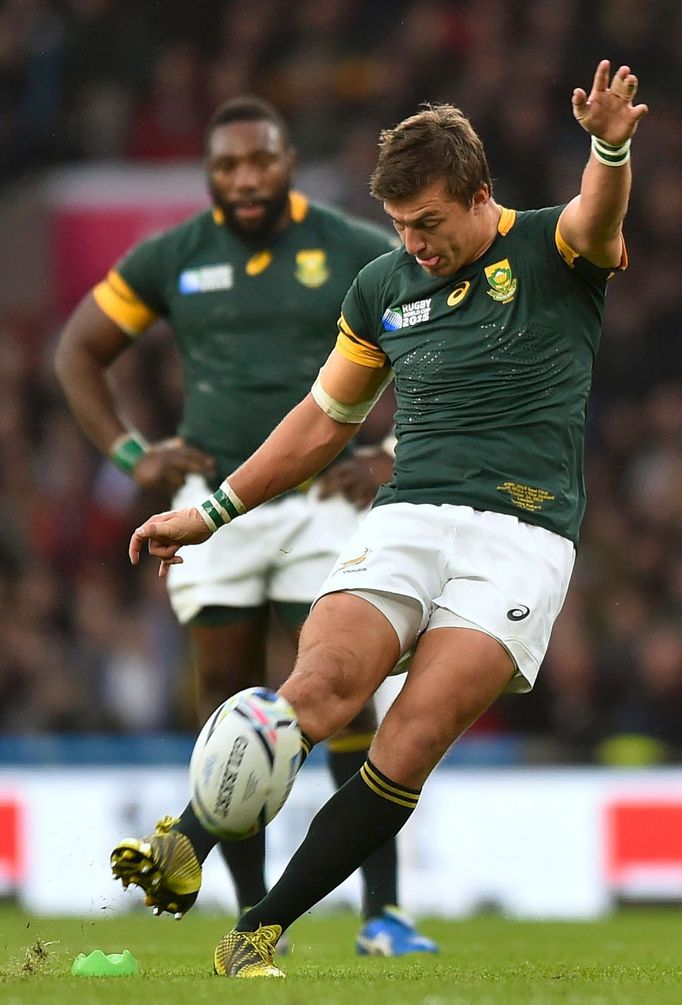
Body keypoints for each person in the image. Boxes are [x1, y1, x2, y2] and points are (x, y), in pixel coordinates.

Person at [121, 60, 647, 977]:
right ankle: (188, 843)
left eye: (429, 224)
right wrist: (213, 512)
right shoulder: (381, 286)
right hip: (406, 518)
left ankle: (257, 933)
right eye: (400, 225)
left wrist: (609, 144)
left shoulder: (551, 251)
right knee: (318, 689)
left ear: (480, 196)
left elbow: (597, 213)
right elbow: (326, 419)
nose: (414, 243)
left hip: (519, 540)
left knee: (411, 737)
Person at [54, 96, 438, 956]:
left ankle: (383, 911)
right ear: (209, 175)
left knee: (335, 686)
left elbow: (433, 334)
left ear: (288, 159)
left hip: (315, 503)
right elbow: (77, 349)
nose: (246, 178)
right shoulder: (175, 255)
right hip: (212, 504)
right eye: (228, 166)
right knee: (230, 703)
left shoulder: (347, 245)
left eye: (260, 160)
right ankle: (258, 915)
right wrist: (128, 454)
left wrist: (388, 450)